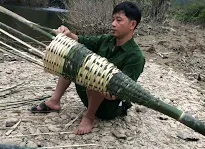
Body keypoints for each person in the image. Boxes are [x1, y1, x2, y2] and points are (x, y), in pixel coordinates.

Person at [31, 1, 145, 135]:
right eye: (113, 19)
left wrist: (112, 93)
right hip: (89, 95)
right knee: (73, 58)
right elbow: (82, 41)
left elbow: (125, 90)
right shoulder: (107, 40)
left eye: (119, 20)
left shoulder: (136, 56)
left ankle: (89, 117)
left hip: (110, 107)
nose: (113, 24)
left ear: (132, 24)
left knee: (99, 75)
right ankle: (54, 101)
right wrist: (68, 34)